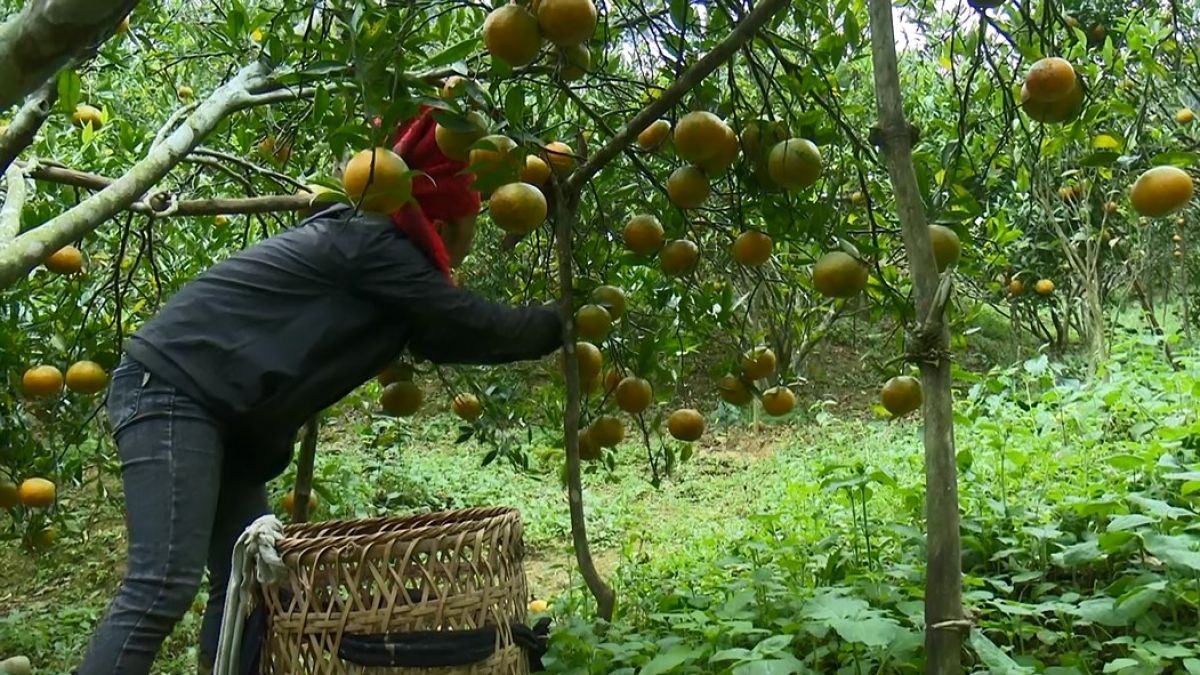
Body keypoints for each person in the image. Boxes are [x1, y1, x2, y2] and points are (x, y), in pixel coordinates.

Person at [73, 107, 564, 675]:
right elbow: (465, 324)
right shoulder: (374, 241)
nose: (471, 245)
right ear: (448, 222)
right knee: (161, 585)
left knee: (246, 587)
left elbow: (438, 334)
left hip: (221, 415)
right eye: (472, 228)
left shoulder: (378, 250)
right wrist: (560, 320)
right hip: (177, 391)